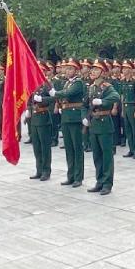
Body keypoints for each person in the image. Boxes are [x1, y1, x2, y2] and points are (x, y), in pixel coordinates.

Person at [86, 60, 120, 195]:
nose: (92, 72)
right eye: (92, 70)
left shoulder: (107, 87)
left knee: (106, 156)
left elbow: (116, 97)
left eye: (96, 70)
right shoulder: (91, 87)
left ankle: (107, 184)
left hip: (105, 124)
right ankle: (99, 181)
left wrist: (102, 101)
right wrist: (84, 116)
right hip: (94, 125)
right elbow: (84, 105)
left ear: (102, 73)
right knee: (97, 156)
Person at [53, 59, 86, 188]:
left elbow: (68, 94)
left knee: (77, 148)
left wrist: (55, 93)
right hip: (66, 117)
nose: (67, 71)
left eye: (70, 69)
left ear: (76, 70)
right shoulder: (67, 83)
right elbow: (62, 96)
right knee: (69, 149)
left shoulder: (78, 83)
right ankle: (70, 176)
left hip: (75, 118)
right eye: (66, 68)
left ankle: (78, 177)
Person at [25, 74, 56, 181]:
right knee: (36, 147)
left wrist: (42, 99)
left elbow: (53, 98)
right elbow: (29, 97)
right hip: (34, 118)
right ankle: (39, 170)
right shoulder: (33, 83)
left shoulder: (47, 84)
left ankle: (46, 171)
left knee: (45, 147)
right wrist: (28, 109)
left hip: (44, 118)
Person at [119, 61, 135, 159]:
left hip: (133, 106)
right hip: (126, 106)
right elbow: (122, 95)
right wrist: (122, 109)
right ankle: (131, 149)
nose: (124, 70)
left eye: (125, 68)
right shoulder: (123, 81)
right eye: (123, 69)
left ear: (130, 69)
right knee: (128, 130)